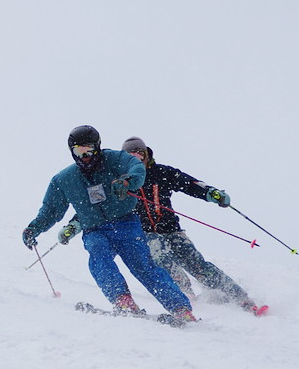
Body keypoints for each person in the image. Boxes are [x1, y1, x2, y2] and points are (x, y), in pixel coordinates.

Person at [62, 136, 267, 316]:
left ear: (146, 154)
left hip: (172, 230)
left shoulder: (162, 173)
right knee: (159, 256)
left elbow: (189, 184)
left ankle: (241, 298)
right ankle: (185, 296)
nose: (136, 156)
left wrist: (211, 193)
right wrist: (73, 225)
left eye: (139, 152)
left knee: (197, 264)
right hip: (143, 233)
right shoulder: (116, 180)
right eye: (130, 153)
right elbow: (91, 209)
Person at [22, 125, 197, 324]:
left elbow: (137, 168)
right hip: (94, 229)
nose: (84, 156)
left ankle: (180, 308)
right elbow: (51, 209)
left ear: (98, 147)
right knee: (98, 255)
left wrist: (127, 181)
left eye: (89, 150)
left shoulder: (114, 160)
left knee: (143, 266)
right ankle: (122, 300)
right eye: (78, 151)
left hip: (126, 223)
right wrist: (33, 228)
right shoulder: (64, 179)